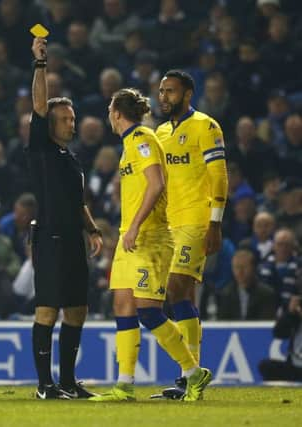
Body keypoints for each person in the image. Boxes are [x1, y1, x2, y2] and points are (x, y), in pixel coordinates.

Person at [90, 88, 211, 403]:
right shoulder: (129, 143)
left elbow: (157, 184)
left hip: (151, 236)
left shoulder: (142, 138)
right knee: (122, 306)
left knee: (148, 311)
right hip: (131, 237)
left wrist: (134, 226)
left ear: (116, 112)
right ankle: (125, 384)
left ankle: (194, 373)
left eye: (109, 109)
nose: (108, 115)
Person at [27, 36, 103, 400]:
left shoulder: (70, 159)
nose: (71, 124)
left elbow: (77, 201)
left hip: (72, 239)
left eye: (73, 118)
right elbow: (40, 104)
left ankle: (69, 383)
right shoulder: (42, 149)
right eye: (65, 119)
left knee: (77, 311)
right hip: (51, 239)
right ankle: (45, 385)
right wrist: (41, 64)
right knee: (47, 310)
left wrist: (92, 228)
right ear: (49, 124)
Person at [152, 70, 228, 399]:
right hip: (168, 223)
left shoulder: (206, 126)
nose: (163, 97)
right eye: (161, 91)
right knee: (184, 297)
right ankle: (189, 378)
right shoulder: (160, 132)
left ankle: (189, 374)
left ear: (187, 94)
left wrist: (216, 222)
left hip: (197, 220)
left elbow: (219, 175)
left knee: (176, 289)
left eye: (170, 92)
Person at [258, 295, 302, 382]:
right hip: (295, 367)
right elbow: (278, 333)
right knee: (266, 367)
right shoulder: (296, 317)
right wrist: (290, 313)